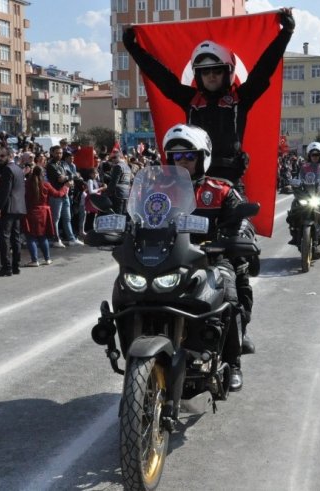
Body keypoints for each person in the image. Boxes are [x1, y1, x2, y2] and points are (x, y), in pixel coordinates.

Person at [123, 8, 294, 188]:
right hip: (194, 182)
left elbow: (264, 69)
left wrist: (286, 33)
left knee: (243, 217)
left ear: (228, 73)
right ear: (198, 75)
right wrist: (133, 48)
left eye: (217, 70)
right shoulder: (190, 100)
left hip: (230, 183)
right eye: (205, 72)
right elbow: (161, 76)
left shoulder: (239, 99)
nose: (211, 76)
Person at [162, 123, 255, 391]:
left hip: (211, 260)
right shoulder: (161, 189)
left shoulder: (221, 190)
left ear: (203, 157)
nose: (182, 161)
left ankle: (233, 362)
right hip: (169, 261)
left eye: (189, 155)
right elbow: (138, 215)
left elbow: (242, 221)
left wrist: (230, 238)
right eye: (177, 156)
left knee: (230, 296)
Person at [0, 147, 27, 277]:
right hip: (18, 207)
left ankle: (6, 267)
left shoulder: (8, 169)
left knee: (5, 237)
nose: (0, 159)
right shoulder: (18, 169)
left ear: (10, 156)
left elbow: (5, 191)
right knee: (15, 237)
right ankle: (16, 266)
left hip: (9, 207)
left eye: (2, 156)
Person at [22, 165, 67, 267]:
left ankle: (34, 260)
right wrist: (65, 187)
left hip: (30, 212)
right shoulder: (46, 184)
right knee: (42, 236)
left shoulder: (26, 184)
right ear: (43, 174)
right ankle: (47, 259)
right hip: (43, 212)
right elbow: (57, 194)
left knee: (31, 237)